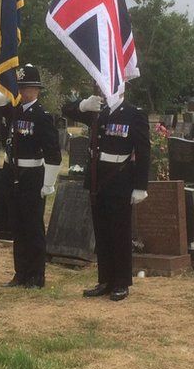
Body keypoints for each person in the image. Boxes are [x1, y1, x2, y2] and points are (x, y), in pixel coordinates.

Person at [62, 89, 149, 301]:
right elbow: (65, 110)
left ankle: (121, 282)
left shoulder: (134, 114)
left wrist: (140, 186)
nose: (106, 89)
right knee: (101, 231)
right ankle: (105, 280)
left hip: (120, 178)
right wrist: (83, 104)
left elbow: (144, 150)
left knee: (119, 231)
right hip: (97, 178)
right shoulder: (97, 110)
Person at [0, 64, 62, 288]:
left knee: (32, 226)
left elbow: (53, 153)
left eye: (26, 87)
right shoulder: (12, 109)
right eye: (19, 87)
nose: (22, 91)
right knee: (16, 225)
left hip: (32, 175)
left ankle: (36, 276)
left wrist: (48, 183)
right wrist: (3, 90)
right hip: (11, 172)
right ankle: (20, 273)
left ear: (36, 90)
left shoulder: (42, 116)